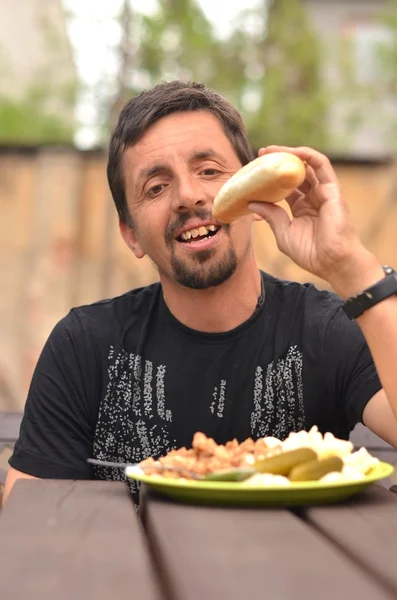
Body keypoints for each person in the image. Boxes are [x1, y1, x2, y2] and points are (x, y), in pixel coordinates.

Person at [4, 80, 397, 505]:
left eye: (209, 171)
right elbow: (32, 516)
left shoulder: (325, 329)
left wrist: (350, 267)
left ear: (253, 191)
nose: (188, 196)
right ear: (131, 235)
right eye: (156, 187)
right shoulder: (84, 345)